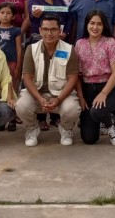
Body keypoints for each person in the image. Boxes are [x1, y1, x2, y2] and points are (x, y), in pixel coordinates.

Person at [17, 14, 81, 146]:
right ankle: (32, 129)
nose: (49, 33)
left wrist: (58, 99)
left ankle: (66, 129)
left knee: (72, 109)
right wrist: (40, 99)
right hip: (37, 93)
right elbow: (27, 77)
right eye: (45, 29)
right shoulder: (31, 49)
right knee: (21, 105)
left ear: (60, 31)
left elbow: (72, 78)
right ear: (40, 30)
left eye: (53, 29)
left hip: (61, 93)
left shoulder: (69, 50)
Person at [75, 10, 115, 145]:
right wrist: (81, 96)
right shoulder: (79, 44)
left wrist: (103, 93)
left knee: (97, 111)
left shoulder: (110, 43)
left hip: (109, 87)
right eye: (92, 23)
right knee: (89, 139)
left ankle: (109, 123)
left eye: (99, 24)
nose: (95, 27)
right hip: (87, 89)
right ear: (86, 25)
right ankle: (99, 120)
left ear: (104, 26)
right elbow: (77, 75)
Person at [0, 3, 22, 127]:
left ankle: (12, 118)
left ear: (14, 16)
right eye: (2, 13)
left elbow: (19, 49)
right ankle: (1, 118)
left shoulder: (16, 31)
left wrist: (18, 66)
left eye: (8, 13)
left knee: (12, 90)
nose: (5, 15)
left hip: (12, 63)